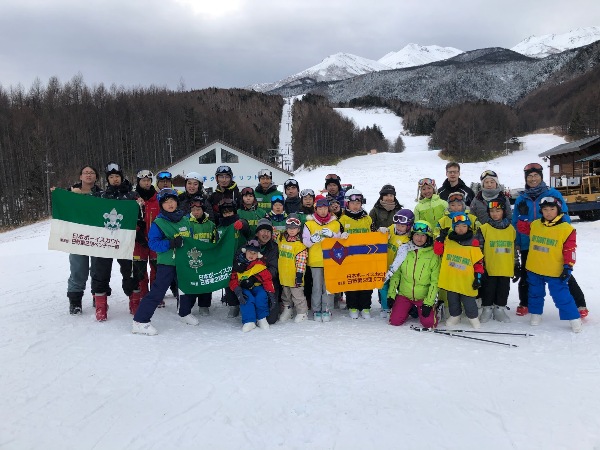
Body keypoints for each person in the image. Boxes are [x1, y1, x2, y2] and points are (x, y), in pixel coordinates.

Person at [512, 163, 588, 317]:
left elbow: (564, 215)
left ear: (541, 176)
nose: (533, 179)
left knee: (561, 274)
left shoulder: (553, 194)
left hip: (552, 242)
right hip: (529, 243)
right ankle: (525, 302)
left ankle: (579, 304)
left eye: (536, 176)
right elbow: (515, 222)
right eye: (530, 177)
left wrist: (565, 237)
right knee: (528, 274)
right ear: (526, 179)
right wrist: (518, 242)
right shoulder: (521, 198)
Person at [131, 188, 199, 335]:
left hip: (184, 262)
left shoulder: (186, 219)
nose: (170, 204)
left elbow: (191, 239)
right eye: (166, 202)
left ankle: (184, 313)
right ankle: (140, 321)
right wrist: (170, 243)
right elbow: (153, 244)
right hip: (167, 262)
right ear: (161, 205)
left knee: (186, 288)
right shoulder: (159, 223)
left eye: (172, 201)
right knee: (158, 291)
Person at [92, 162, 143, 321]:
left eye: (117, 176)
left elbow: (142, 217)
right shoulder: (101, 196)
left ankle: (134, 302)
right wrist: (63, 194)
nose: (115, 179)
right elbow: (85, 209)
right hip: (105, 241)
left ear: (122, 177)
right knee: (100, 272)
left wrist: (139, 213)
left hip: (126, 241)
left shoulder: (132, 196)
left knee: (131, 272)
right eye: (111, 177)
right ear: (107, 179)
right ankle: (101, 306)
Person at [522, 196, 582, 332]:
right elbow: (522, 228)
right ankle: (536, 314)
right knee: (535, 293)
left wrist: (568, 266)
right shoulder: (535, 224)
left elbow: (570, 250)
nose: (548, 212)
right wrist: (523, 215)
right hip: (535, 268)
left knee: (561, 296)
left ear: (558, 210)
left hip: (555, 270)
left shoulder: (566, 229)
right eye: (545, 209)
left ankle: (573, 318)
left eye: (552, 209)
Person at [61, 166, 102, 314]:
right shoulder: (71, 192)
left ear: (96, 177)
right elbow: (60, 206)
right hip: (78, 237)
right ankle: (75, 301)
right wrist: (63, 194)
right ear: (80, 176)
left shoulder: (102, 194)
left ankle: (97, 297)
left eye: (92, 173)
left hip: (98, 237)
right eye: (86, 173)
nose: (89, 175)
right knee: (78, 269)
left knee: (98, 269)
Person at [434, 212, 484, 329]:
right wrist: (440, 239)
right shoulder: (448, 240)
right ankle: (455, 316)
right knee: (452, 300)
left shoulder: (473, 242)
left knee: (469, 300)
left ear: (468, 227)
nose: (460, 229)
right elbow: (437, 251)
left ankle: (473, 317)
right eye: (457, 226)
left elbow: (478, 262)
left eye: (464, 226)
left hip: (466, 279)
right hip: (452, 278)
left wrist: (478, 277)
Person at [388, 220, 440, 328]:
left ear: (428, 237)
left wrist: (429, 303)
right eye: (416, 234)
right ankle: (410, 308)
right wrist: (391, 295)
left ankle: (435, 307)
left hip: (423, 297)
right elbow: (396, 274)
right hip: (405, 294)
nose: (419, 238)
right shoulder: (403, 250)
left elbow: (435, 281)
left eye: (423, 235)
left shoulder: (433, 255)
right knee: (394, 321)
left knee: (429, 324)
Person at [302, 195, 342, 321]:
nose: (323, 210)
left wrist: (334, 235)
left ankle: (327, 309)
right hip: (316, 260)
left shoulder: (335, 223)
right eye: (320, 208)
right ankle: (316, 309)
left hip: (331, 260)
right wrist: (312, 240)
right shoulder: (309, 224)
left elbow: (341, 242)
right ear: (316, 209)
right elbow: (305, 242)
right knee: (317, 287)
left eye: (325, 208)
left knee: (328, 286)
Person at [478, 199, 517, 323]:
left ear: (504, 212)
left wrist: (516, 264)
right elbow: (479, 249)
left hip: (505, 267)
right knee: (488, 289)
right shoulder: (484, 228)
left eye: (498, 211)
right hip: (490, 266)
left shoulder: (511, 229)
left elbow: (514, 248)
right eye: (492, 211)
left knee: (503, 289)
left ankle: (499, 308)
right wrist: (480, 266)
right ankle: (487, 308)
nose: (495, 214)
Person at [338, 189, 374, 319]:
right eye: (352, 202)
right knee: (351, 281)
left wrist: (381, 234)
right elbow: (336, 239)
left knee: (366, 282)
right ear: (347, 203)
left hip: (365, 257)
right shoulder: (342, 219)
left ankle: (365, 306)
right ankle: (352, 305)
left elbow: (373, 235)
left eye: (358, 202)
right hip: (350, 258)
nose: (355, 205)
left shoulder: (367, 218)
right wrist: (340, 236)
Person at [229, 239, 277, 332]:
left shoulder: (259, 265)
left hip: (257, 286)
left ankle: (261, 318)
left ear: (258, 255)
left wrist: (271, 293)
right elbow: (232, 279)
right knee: (247, 298)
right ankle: (249, 321)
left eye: (254, 253)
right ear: (245, 252)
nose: (252, 255)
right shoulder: (238, 263)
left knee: (261, 296)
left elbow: (267, 279)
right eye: (250, 252)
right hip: (243, 287)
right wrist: (237, 290)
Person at [131, 169, 160, 314]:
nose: (146, 182)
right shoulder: (133, 198)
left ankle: (156, 296)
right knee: (140, 269)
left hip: (155, 240)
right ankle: (143, 294)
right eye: (143, 180)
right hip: (138, 241)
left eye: (148, 180)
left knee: (156, 268)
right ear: (138, 182)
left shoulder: (158, 198)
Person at [379, 209, 414, 318]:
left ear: (408, 226)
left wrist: (391, 272)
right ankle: (385, 308)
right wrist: (381, 232)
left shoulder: (407, 239)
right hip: (384, 265)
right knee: (382, 287)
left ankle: (402, 306)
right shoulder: (392, 229)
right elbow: (380, 239)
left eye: (402, 226)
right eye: (397, 224)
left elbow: (400, 258)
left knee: (396, 288)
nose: (399, 228)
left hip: (398, 269)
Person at [189, 195, 217, 316]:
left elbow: (214, 240)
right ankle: (188, 304)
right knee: (192, 281)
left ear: (203, 210)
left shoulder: (210, 224)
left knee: (206, 282)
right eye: (193, 210)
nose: (196, 212)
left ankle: (204, 305)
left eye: (198, 210)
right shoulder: (187, 223)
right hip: (192, 257)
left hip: (206, 258)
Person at [277, 215, 309, 323]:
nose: (291, 231)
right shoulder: (281, 239)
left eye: (294, 228)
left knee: (297, 295)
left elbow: (301, 261)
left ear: (298, 229)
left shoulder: (300, 244)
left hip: (294, 275)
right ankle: (288, 309)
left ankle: (302, 312)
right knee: (285, 295)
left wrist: (299, 275)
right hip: (283, 274)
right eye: (289, 228)